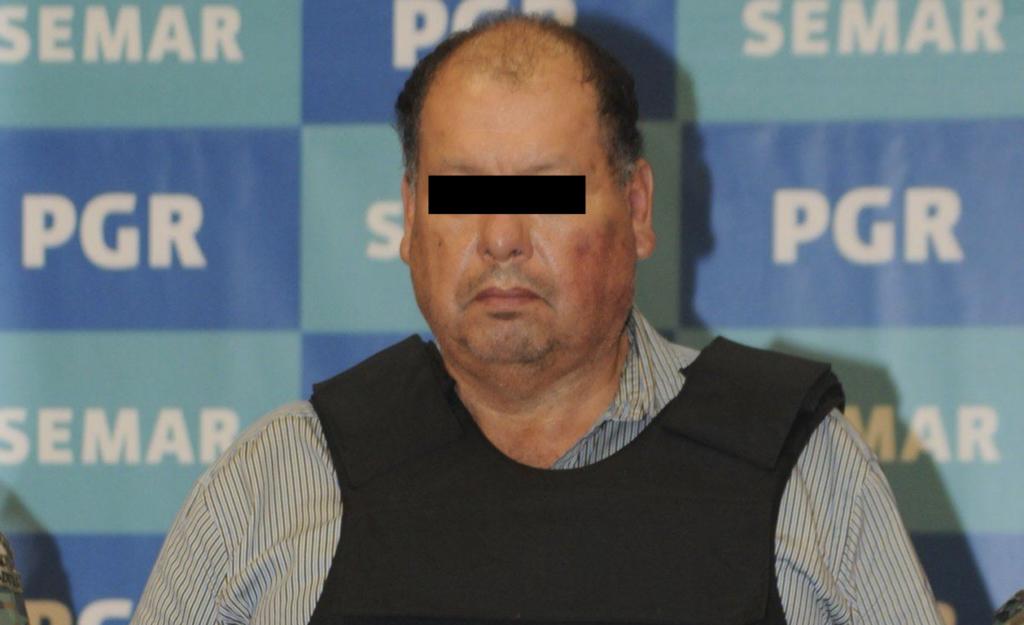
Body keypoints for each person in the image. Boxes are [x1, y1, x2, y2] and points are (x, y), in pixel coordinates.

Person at [131, 14, 942, 625]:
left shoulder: (804, 473)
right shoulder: (277, 481)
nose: (501, 237)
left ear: (637, 206)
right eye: (461, 193)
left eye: (547, 190)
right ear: (409, 218)